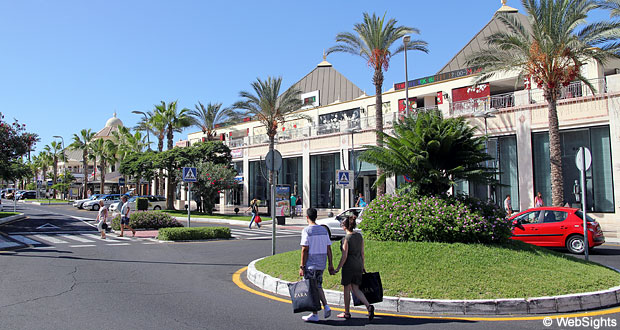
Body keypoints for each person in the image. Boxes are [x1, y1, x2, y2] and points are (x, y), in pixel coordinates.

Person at [332, 216, 374, 321]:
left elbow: (344, 256)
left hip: (349, 266)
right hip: (359, 264)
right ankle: (368, 306)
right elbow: (362, 253)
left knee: (347, 288)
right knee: (356, 288)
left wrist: (338, 268)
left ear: (345, 226)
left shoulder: (346, 238)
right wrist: (363, 266)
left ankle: (347, 312)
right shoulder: (359, 236)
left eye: (342, 224)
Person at [299, 208, 334, 322]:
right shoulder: (323, 230)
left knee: (312, 289)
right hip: (321, 263)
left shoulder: (307, 231)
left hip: (311, 264)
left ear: (307, 217)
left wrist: (302, 266)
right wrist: (330, 264)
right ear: (316, 216)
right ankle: (326, 306)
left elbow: (304, 249)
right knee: (318, 286)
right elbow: (329, 248)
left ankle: (315, 314)